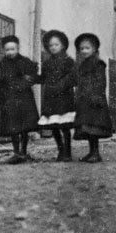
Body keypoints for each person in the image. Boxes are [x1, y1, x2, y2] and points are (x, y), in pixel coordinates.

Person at [0, 35, 39, 164]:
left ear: (18, 48)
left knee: (24, 128)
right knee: (13, 128)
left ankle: (23, 151)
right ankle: (16, 152)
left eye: (13, 49)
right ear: (4, 50)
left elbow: (33, 76)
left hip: (24, 99)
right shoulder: (2, 64)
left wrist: (27, 81)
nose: (10, 52)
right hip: (10, 100)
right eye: (7, 50)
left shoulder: (25, 61)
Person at [38, 30, 77, 161]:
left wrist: (61, 85)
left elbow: (73, 78)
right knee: (54, 125)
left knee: (65, 126)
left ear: (63, 45)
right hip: (51, 99)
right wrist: (33, 77)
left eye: (56, 44)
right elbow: (43, 78)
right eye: (51, 45)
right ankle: (61, 150)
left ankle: (67, 152)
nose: (53, 47)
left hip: (64, 98)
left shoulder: (68, 61)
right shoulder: (47, 63)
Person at [73, 33, 112, 163]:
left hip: (95, 101)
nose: (84, 51)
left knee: (94, 129)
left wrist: (96, 96)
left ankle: (95, 153)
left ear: (94, 49)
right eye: (82, 48)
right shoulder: (82, 65)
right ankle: (91, 152)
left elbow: (101, 82)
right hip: (85, 101)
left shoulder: (98, 64)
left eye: (87, 48)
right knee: (88, 129)